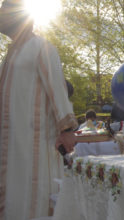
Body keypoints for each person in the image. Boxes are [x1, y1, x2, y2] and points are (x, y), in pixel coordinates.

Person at [0, 0, 77, 219]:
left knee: (35, 196)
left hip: (36, 143)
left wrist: (67, 129)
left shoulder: (41, 47)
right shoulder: (10, 55)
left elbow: (57, 90)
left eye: (4, 13)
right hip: (11, 145)